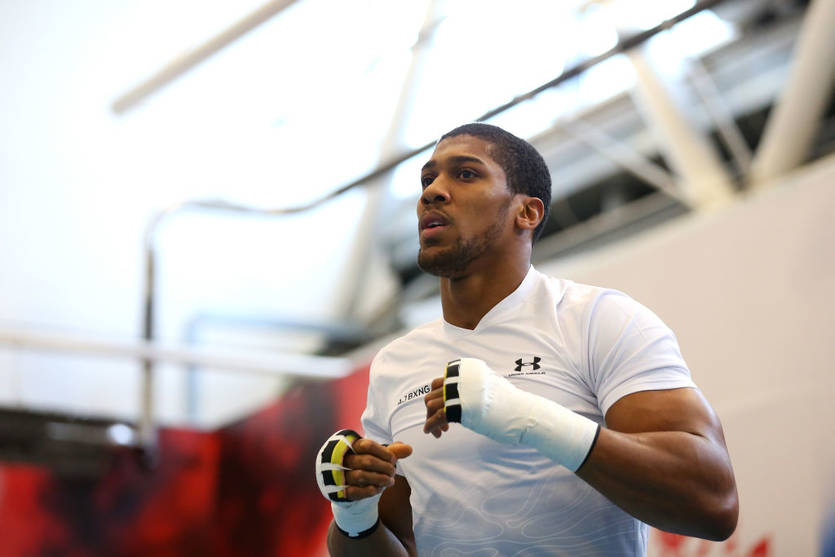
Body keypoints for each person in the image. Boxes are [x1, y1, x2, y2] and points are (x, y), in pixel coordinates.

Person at [315, 123, 738, 556]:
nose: (432, 192)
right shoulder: (396, 363)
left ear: (528, 213)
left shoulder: (597, 319)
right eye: (427, 179)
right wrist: (353, 515)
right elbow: (401, 543)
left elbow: (713, 503)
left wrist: (527, 417)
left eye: (465, 174)